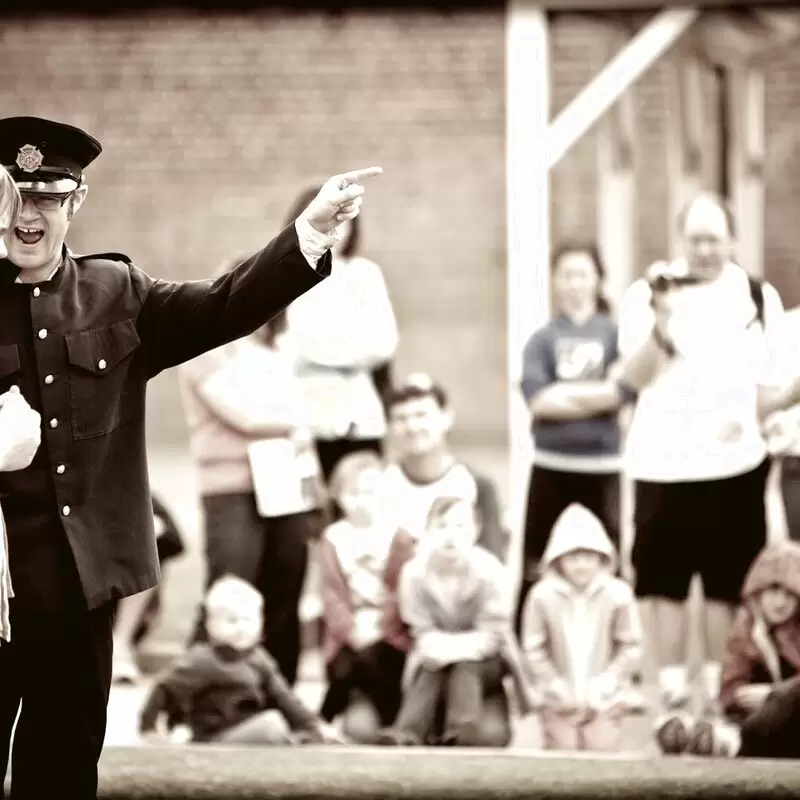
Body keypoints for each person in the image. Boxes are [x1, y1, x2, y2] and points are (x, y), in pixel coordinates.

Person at [0, 114, 380, 798]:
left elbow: (227, 304)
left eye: (49, 197)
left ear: (75, 201)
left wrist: (313, 230)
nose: (32, 216)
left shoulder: (115, 293)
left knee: (60, 763)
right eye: (16, 196)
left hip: (77, 586)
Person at [616, 192, 800, 724]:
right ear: (682, 240)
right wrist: (662, 324)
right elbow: (633, 379)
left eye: (715, 238)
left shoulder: (757, 296)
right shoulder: (647, 294)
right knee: (662, 587)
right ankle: (671, 703)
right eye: (696, 238)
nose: (705, 249)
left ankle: (718, 704)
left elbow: (768, 393)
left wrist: (786, 400)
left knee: (725, 587)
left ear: (732, 240)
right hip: (661, 463)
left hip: (735, 465)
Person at [179, 277, 324, 686]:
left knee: (285, 589)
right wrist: (296, 418)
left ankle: (279, 696)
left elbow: (303, 435)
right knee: (230, 591)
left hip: (284, 484)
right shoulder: (203, 351)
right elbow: (246, 414)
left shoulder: (278, 352)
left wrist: (314, 492)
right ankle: (196, 698)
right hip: (230, 487)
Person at [516, 241, 631, 635]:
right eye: (565, 274)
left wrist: (566, 396)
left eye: (582, 273)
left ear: (597, 279)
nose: (573, 284)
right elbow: (539, 402)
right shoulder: (542, 340)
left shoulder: (616, 334)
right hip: (552, 465)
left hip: (602, 468)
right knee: (538, 561)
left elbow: (625, 392)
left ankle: (613, 651)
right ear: (554, 280)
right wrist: (601, 397)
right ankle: (528, 654)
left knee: (606, 561)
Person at [376, 497, 532, 747]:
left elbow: (493, 634)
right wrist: (440, 650)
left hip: (486, 659)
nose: (450, 536)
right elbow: (421, 629)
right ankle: (406, 732)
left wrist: (452, 650)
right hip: (433, 656)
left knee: (465, 664)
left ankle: (462, 728)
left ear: (476, 531)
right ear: (427, 532)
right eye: (441, 526)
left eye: (459, 527)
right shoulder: (414, 574)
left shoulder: (491, 571)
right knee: (431, 665)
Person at [139, 576, 344, 745]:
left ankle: (307, 743)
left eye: (248, 620)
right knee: (272, 726)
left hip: (250, 730)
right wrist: (148, 728)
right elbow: (164, 688)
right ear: (211, 625)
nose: (241, 627)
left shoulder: (259, 658)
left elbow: (285, 698)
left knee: (283, 725)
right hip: (214, 738)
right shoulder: (202, 660)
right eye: (231, 620)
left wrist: (313, 726)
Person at [283, 185, 399, 484]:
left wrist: (322, 347)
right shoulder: (285, 272)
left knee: (365, 501)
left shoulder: (364, 274)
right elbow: (294, 344)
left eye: (344, 217)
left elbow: (384, 343)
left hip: (359, 416)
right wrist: (350, 345)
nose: (337, 226)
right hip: (304, 417)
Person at [656, 540, 800, 756]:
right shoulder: (747, 629)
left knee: (765, 723)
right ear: (757, 592)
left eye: (790, 595)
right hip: (755, 716)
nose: (780, 603)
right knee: (745, 723)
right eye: (773, 591)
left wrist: (774, 695)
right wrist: (739, 695)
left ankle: (727, 742)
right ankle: (696, 735)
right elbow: (730, 684)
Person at [521, 503, 644, 752]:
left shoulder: (617, 594)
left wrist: (608, 681)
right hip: (559, 699)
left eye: (588, 557)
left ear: (602, 558)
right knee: (563, 754)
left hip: (604, 698)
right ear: (558, 560)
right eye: (573, 558)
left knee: (600, 751)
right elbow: (533, 647)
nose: (581, 566)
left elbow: (631, 645)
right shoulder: (542, 596)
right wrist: (553, 684)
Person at [318, 451, 402, 741]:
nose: (362, 501)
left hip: (389, 634)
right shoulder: (333, 538)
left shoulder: (398, 537)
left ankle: (324, 716)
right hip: (349, 635)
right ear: (338, 498)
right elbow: (331, 595)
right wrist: (351, 631)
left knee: (372, 659)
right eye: (352, 494)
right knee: (352, 662)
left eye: (370, 493)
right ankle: (387, 722)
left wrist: (381, 629)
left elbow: (402, 592)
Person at [381, 373, 507, 559]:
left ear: (446, 418)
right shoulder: (378, 483)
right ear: (389, 426)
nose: (412, 426)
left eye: (421, 415)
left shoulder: (477, 484)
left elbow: (492, 562)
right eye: (401, 418)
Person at [111, 493, 186, 684]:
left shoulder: (132, 488)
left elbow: (173, 540)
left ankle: (119, 645)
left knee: (149, 538)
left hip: (120, 600)